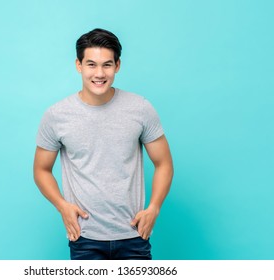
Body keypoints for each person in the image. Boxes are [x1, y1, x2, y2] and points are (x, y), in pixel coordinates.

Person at [33, 28, 173, 260]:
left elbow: (164, 163)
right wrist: (62, 206)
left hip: (134, 235)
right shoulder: (57, 115)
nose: (99, 73)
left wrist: (154, 208)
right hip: (84, 238)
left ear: (117, 66)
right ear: (78, 65)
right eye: (91, 64)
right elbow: (41, 169)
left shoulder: (140, 108)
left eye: (107, 65)